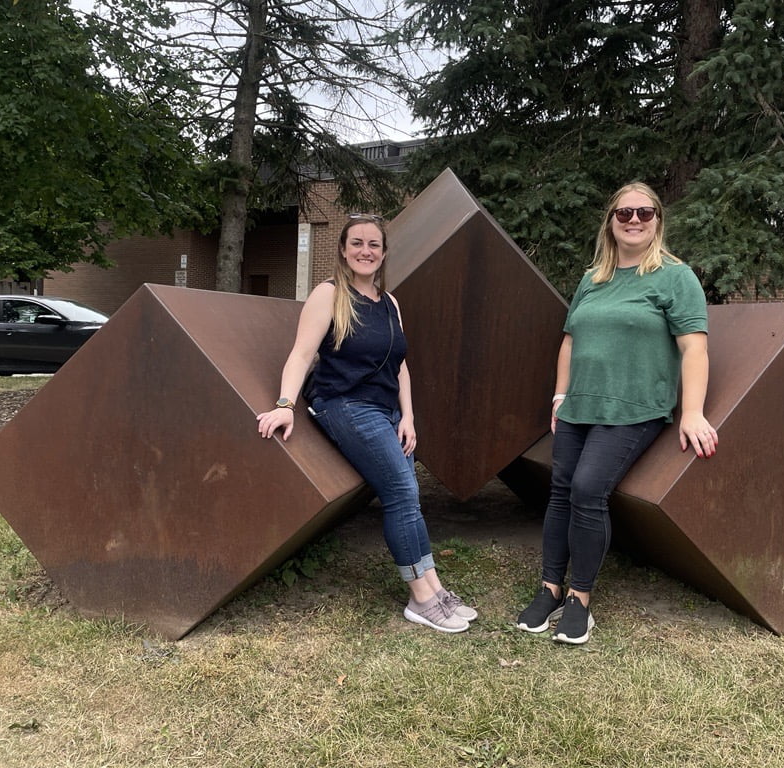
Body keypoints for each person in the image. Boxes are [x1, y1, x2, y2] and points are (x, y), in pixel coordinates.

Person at [516, 182, 717, 645]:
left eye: (644, 213)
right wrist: (559, 397)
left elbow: (694, 349)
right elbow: (570, 341)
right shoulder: (595, 278)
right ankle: (549, 588)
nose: (633, 220)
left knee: (588, 489)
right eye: (623, 213)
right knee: (561, 492)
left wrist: (691, 412)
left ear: (657, 221)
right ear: (611, 221)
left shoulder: (675, 277)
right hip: (580, 405)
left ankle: (579, 600)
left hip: (634, 408)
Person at [257, 213, 477, 633]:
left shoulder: (389, 302)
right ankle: (420, 598)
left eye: (373, 244)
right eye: (356, 243)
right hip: (345, 405)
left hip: (386, 412)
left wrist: (408, 415)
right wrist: (285, 403)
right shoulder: (329, 295)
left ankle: (435, 587)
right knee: (400, 491)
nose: (365, 251)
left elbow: (401, 366)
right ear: (342, 249)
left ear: (384, 253)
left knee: (409, 496)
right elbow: (302, 354)